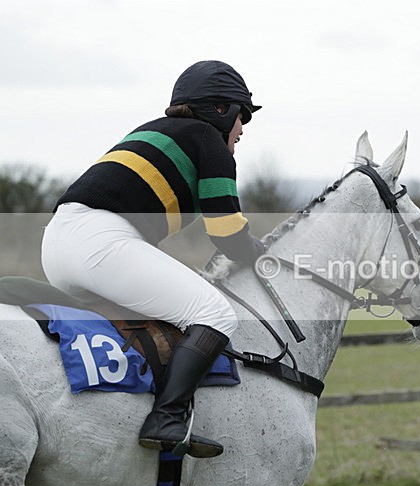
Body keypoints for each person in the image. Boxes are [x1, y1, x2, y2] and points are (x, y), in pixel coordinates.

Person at [41, 60, 266, 458]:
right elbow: (227, 233)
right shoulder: (208, 140)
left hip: (57, 242)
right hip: (100, 242)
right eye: (242, 115)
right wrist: (260, 253)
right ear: (222, 110)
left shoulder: (150, 130)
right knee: (215, 315)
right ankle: (167, 417)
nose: (243, 128)